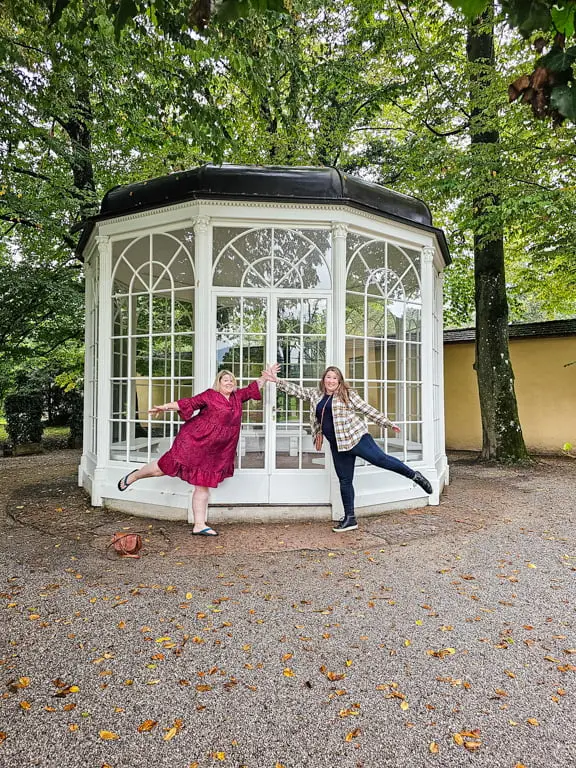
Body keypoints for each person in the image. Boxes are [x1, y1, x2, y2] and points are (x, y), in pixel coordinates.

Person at [262, 364, 433, 532]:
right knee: (344, 481)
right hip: (338, 445)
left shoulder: (347, 394)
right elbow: (298, 391)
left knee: (381, 460)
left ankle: (415, 476)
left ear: (339, 380)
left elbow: (367, 410)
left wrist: (387, 423)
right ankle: (350, 519)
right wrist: (276, 381)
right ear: (323, 379)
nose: (331, 380)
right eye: (328, 377)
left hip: (357, 439)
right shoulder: (316, 394)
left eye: (334, 378)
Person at [117, 368, 272, 537]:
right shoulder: (209, 395)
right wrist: (165, 407)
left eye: (231, 380)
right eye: (225, 380)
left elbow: (252, 389)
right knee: (162, 468)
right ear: (218, 383)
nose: (229, 382)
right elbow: (189, 403)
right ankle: (134, 476)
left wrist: (264, 377)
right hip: (195, 442)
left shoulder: (237, 397)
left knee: (203, 484)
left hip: (216, 451)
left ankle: (199, 524)